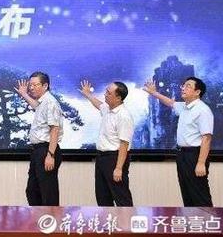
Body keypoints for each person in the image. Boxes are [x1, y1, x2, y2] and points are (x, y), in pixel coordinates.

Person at [144, 77, 214, 207]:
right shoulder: (184, 107)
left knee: (199, 193)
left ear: (197, 92)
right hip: (182, 154)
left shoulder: (202, 110)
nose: (183, 88)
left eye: (188, 86)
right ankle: (191, 218)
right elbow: (170, 103)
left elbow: (207, 138)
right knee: (187, 192)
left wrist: (200, 163)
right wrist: (153, 93)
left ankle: (207, 219)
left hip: (195, 155)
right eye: (183, 85)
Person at [80, 80, 134, 206]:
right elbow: (99, 104)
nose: (105, 94)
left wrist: (119, 168)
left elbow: (124, 144)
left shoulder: (124, 115)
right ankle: (107, 219)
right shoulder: (107, 109)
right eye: (106, 91)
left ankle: (126, 219)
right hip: (101, 158)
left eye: (109, 93)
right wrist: (87, 94)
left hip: (115, 159)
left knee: (121, 196)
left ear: (118, 98)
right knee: (102, 196)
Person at [15, 71, 63, 206]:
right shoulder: (42, 102)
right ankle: (38, 218)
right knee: (32, 191)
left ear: (45, 85)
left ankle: (51, 218)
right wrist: (24, 94)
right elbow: (36, 106)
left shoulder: (50, 102)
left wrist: (50, 155)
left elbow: (54, 129)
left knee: (48, 192)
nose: (31, 88)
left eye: (35, 85)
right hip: (37, 151)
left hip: (46, 150)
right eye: (30, 85)